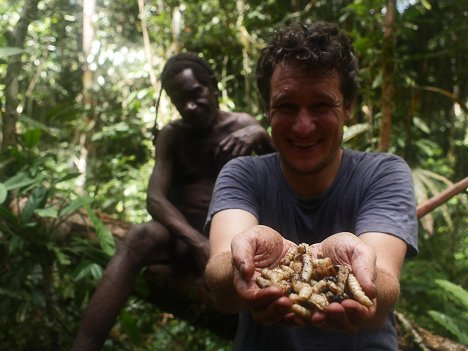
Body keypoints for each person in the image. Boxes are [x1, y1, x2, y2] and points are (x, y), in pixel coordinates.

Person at [204, 21, 418, 350]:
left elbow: (383, 289)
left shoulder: (383, 173)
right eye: (287, 106)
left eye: (321, 106)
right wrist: (240, 262)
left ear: (347, 107)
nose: (304, 127)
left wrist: (364, 274)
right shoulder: (242, 174)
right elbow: (221, 286)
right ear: (267, 110)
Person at [72, 52, 275, 350]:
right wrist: (197, 242)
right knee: (142, 235)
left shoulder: (243, 126)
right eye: (181, 101)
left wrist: (261, 136)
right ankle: (84, 345)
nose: (190, 106)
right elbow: (154, 199)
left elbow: (285, 179)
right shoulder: (173, 135)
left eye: (196, 93)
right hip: (183, 239)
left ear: (213, 86)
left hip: (235, 240)